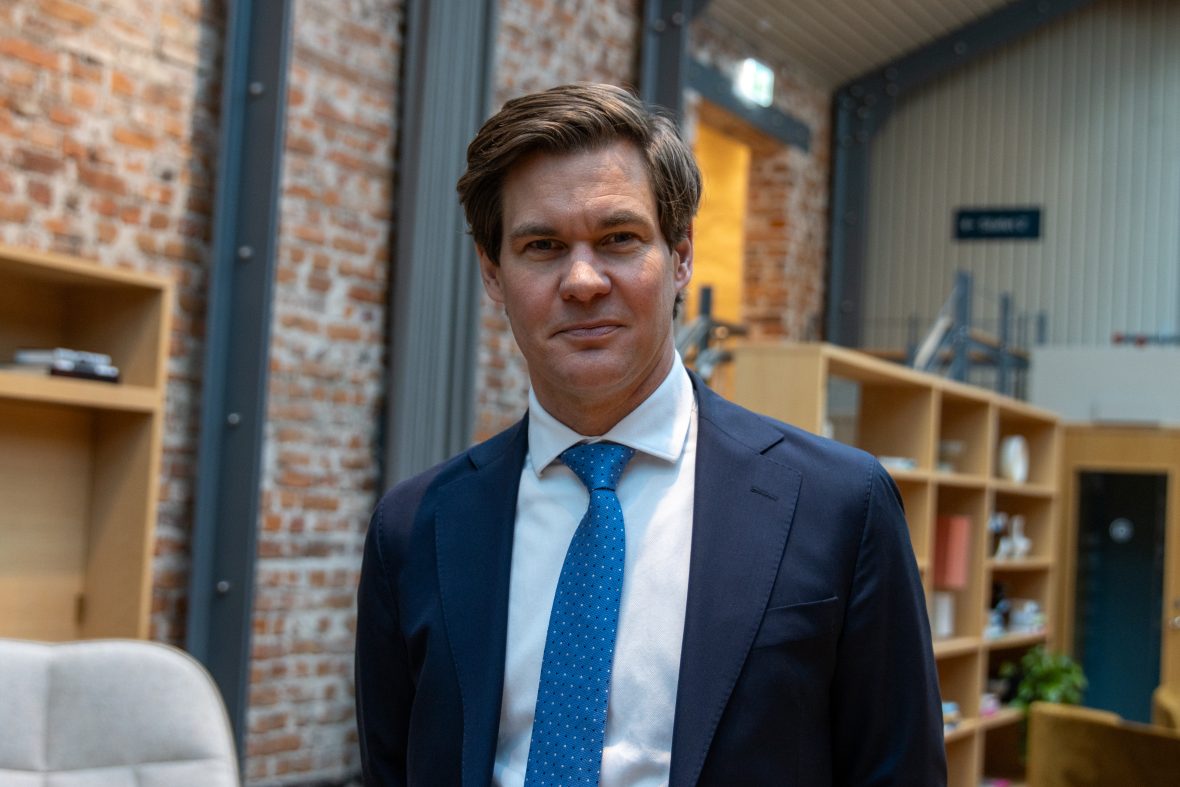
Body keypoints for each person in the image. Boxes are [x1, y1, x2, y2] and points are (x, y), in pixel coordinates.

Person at [354, 82, 946, 786]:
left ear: (681, 256)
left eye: (619, 239)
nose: (582, 280)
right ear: (493, 273)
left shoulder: (838, 505)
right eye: (542, 246)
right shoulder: (415, 528)